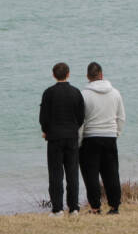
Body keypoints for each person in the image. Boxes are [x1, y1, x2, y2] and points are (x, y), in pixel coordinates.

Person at [79, 62, 126, 215]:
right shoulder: (115, 93)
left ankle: (95, 207)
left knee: (90, 174)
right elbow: (121, 117)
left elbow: (81, 121)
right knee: (111, 172)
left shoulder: (84, 94)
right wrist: (116, 133)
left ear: (88, 76)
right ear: (101, 74)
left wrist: (79, 141)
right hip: (109, 136)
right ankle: (114, 206)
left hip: (90, 137)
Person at [39, 62, 84, 217]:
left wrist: (45, 131)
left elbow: (43, 117)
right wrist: (73, 128)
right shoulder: (76, 92)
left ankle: (57, 208)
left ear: (53, 75)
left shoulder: (48, 93)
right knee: (72, 173)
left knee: (55, 173)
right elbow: (81, 117)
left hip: (55, 138)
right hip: (71, 136)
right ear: (68, 74)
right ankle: (74, 208)